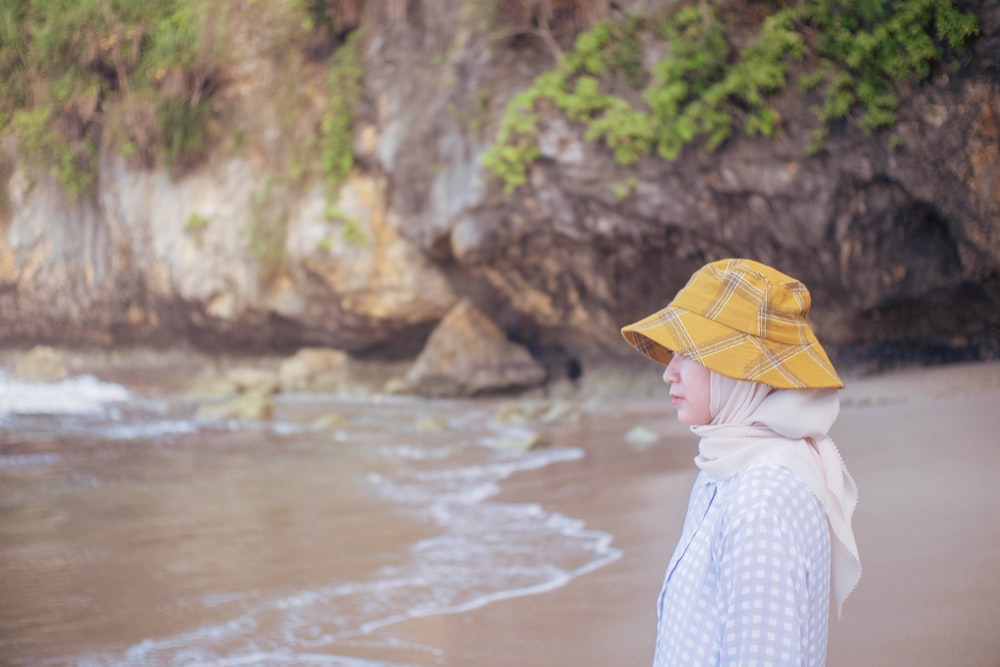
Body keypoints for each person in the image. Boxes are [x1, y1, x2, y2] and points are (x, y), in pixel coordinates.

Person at [620, 258, 861, 667]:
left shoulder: (762, 499)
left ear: (739, 372)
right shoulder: (727, 462)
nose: (669, 373)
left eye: (688, 353)